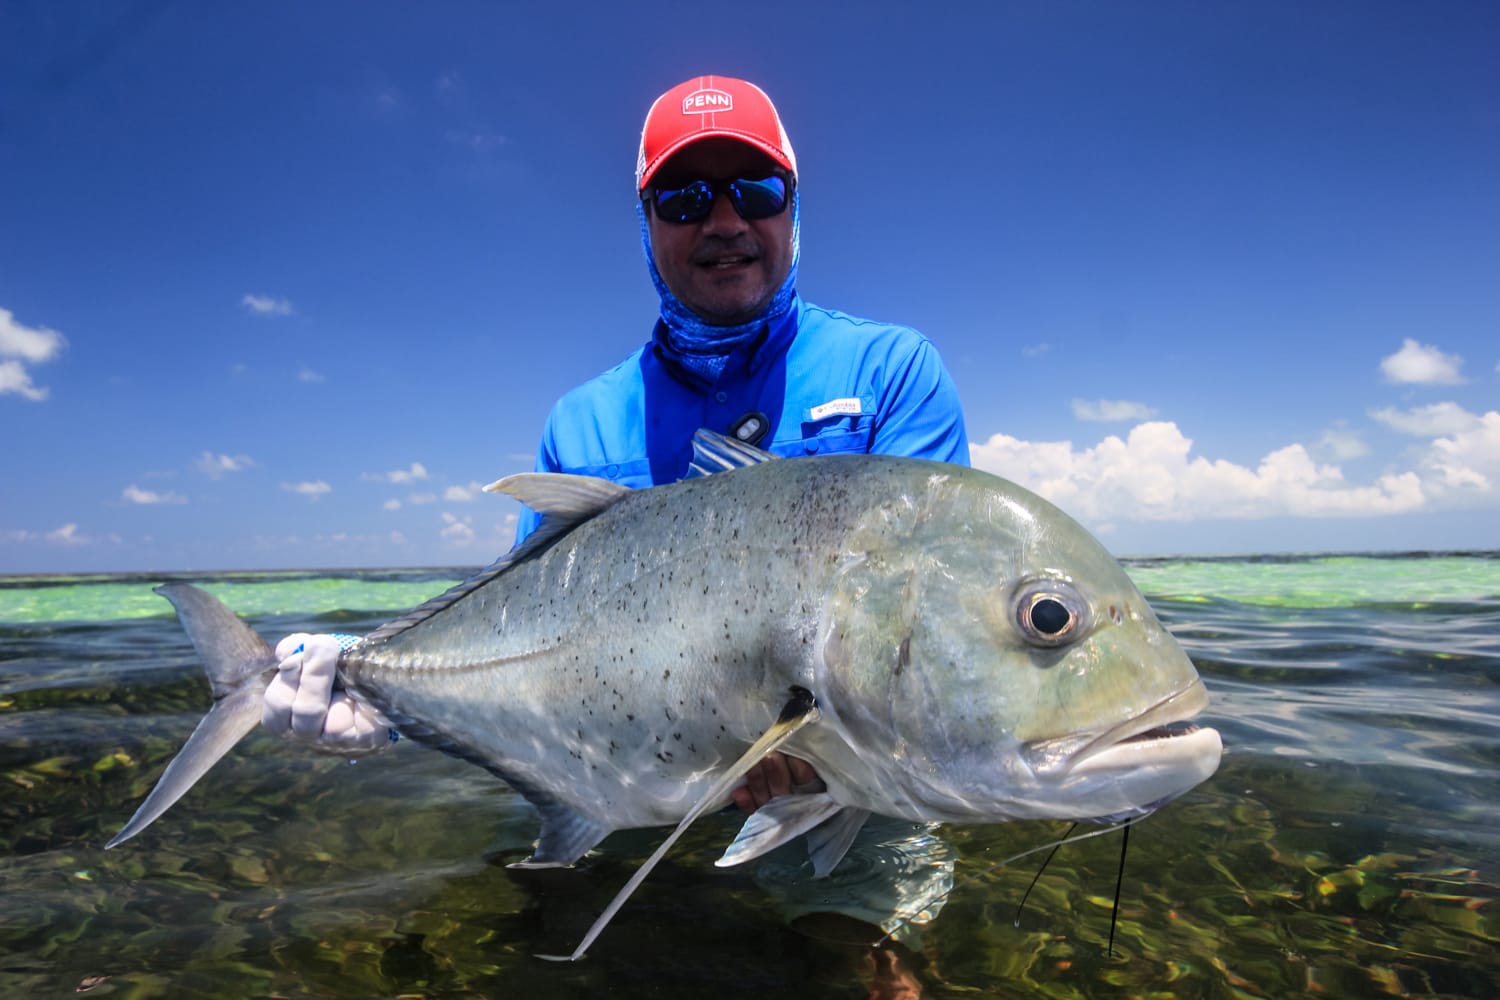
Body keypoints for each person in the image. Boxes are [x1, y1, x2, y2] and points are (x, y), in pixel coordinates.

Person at [263, 75, 969, 816]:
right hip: (627, 783)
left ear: (794, 207)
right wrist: (378, 693)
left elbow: (926, 628)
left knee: (857, 933)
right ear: (645, 223)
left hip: (857, 798)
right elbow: (525, 646)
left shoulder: (891, 372)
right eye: (684, 199)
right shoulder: (580, 423)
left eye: (756, 189)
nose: (725, 220)